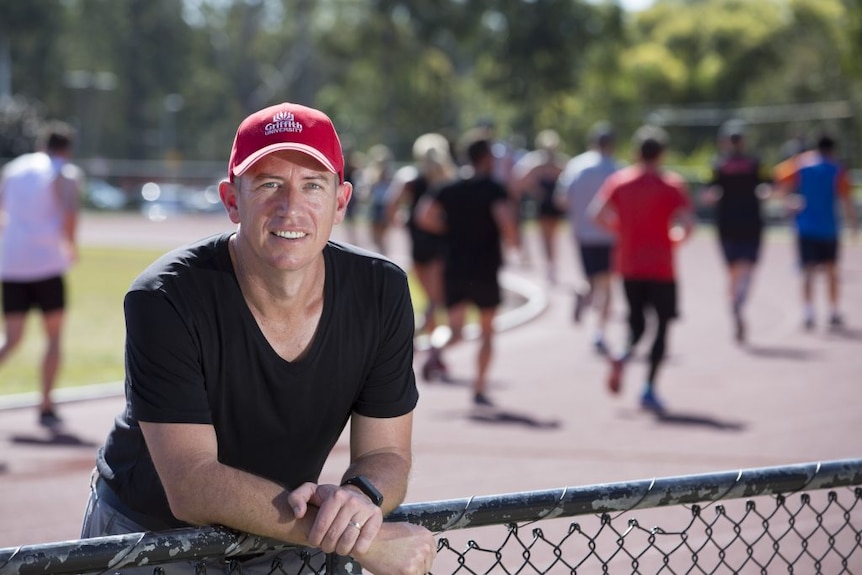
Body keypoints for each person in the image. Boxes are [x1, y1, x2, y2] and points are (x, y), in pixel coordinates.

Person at [80, 102, 436, 575]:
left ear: (341, 200)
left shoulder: (381, 291)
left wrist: (360, 497)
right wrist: (355, 541)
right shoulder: (165, 297)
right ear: (231, 200)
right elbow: (191, 483)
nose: (291, 208)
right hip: (150, 539)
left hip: (283, 537)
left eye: (313, 186)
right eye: (269, 184)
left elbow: (385, 453)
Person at [591, 125, 695, 413]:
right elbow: (687, 225)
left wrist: (621, 230)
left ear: (637, 152)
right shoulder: (672, 185)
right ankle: (648, 387)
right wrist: (675, 239)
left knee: (636, 324)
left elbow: (596, 215)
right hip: (661, 267)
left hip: (629, 265)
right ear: (662, 154)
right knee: (661, 328)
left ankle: (623, 355)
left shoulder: (619, 182)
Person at [415, 132, 519, 407]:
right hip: (485, 267)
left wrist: (447, 229)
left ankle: (436, 347)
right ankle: (479, 386)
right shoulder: (492, 188)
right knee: (486, 332)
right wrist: (512, 239)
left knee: (456, 329)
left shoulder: (449, 188)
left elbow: (423, 216)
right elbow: (505, 220)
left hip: (455, 266)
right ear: (486, 158)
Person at [0, 120, 82, 428]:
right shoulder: (64, 171)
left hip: (12, 263)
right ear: (67, 149)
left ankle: (47, 402)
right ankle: (46, 403)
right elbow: (69, 211)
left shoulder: (14, 169)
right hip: (47, 263)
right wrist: (71, 247)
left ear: (41, 144)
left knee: (12, 338)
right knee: (53, 335)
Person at [773, 134, 858, 330]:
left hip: (805, 227)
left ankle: (808, 312)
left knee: (808, 272)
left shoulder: (801, 164)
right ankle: (833, 311)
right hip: (829, 228)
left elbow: (779, 177)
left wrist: (789, 199)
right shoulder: (837, 169)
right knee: (832, 271)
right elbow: (846, 199)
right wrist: (853, 223)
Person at [702, 120, 772, 343]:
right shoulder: (747, 163)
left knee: (736, 271)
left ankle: (736, 303)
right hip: (745, 224)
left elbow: (708, 193)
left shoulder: (724, 164)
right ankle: (738, 303)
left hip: (733, 225)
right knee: (746, 270)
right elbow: (767, 187)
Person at [554, 122, 619, 354]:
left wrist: (578, 212)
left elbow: (561, 199)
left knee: (592, 279)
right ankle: (599, 332)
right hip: (610, 236)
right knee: (607, 285)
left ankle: (584, 293)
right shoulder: (618, 169)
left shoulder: (576, 166)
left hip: (583, 234)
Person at [386, 132, 458, 341]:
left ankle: (427, 342)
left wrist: (402, 221)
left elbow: (391, 204)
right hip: (440, 246)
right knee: (435, 301)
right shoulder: (449, 179)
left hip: (418, 245)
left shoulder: (411, 179)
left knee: (431, 300)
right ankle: (418, 340)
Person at [509, 129, 568, 283]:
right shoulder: (536, 164)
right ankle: (549, 266)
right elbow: (520, 181)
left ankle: (553, 265)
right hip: (542, 205)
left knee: (553, 236)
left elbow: (568, 181)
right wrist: (535, 191)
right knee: (544, 236)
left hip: (553, 205)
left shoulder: (559, 164)